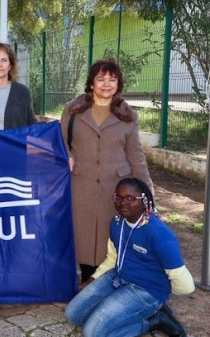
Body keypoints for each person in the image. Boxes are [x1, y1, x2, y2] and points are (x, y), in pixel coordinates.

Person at [60, 59, 153, 283]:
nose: (106, 84)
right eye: (101, 79)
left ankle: (105, 281)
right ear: (91, 83)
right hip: (81, 183)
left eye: (112, 80)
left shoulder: (128, 115)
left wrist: (147, 189)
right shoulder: (73, 110)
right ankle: (86, 278)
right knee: (82, 234)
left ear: (118, 84)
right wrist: (68, 156)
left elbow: (135, 155)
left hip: (116, 187)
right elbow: (61, 142)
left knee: (108, 234)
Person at [65, 177, 194, 337]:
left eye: (130, 198)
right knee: (73, 315)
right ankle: (125, 315)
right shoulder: (117, 222)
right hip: (118, 277)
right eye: (118, 197)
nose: (122, 203)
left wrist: (162, 292)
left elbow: (187, 286)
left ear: (144, 201)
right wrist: (90, 281)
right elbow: (113, 259)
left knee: (92, 333)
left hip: (146, 290)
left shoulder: (159, 234)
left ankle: (152, 320)